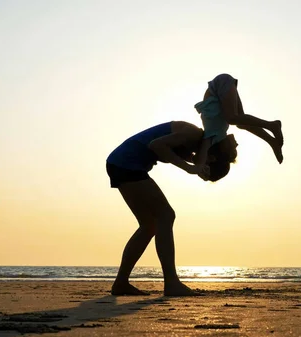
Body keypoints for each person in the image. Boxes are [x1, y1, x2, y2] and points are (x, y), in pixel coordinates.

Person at [106, 120, 237, 296]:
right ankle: (171, 283)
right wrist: (190, 168)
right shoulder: (192, 134)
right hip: (127, 163)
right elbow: (157, 145)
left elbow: (176, 153)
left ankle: (121, 283)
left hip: (120, 163)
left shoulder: (194, 145)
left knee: (149, 225)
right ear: (210, 157)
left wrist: (194, 165)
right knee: (166, 215)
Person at [194, 73, 284, 165]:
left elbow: (202, 157)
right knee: (241, 123)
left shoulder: (211, 138)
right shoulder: (220, 133)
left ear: (223, 150)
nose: (237, 145)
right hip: (221, 90)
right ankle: (271, 141)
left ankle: (272, 125)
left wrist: (196, 169)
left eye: (233, 149)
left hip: (219, 85)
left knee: (232, 119)